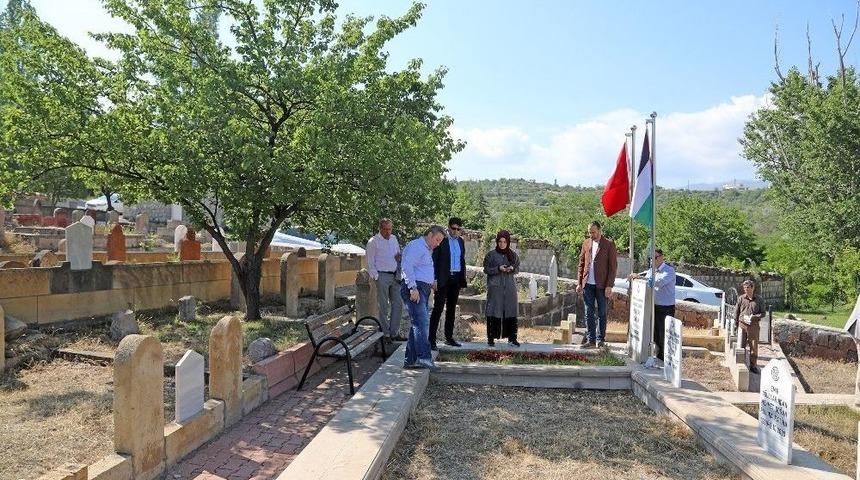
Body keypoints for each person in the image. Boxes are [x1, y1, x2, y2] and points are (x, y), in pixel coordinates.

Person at [400, 225, 446, 370]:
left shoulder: (427, 249)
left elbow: (421, 269)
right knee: (422, 323)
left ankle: (410, 360)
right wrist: (413, 287)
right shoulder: (417, 246)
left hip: (423, 288)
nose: (438, 244)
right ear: (430, 235)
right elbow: (407, 266)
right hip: (415, 288)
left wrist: (431, 282)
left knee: (418, 324)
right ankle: (424, 358)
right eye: (437, 240)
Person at [576, 221, 618, 348]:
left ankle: (601, 339)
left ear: (600, 231)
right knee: (588, 312)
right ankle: (591, 340)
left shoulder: (609, 244)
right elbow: (581, 264)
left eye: (593, 232)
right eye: (589, 232)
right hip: (587, 284)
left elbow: (613, 267)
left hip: (602, 285)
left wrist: (609, 285)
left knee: (602, 312)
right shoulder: (586, 243)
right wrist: (579, 283)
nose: (591, 234)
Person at [629, 248, 676, 360]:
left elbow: (658, 282)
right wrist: (637, 276)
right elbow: (646, 280)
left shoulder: (669, 270)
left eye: (654, 258)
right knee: (654, 333)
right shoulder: (651, 270)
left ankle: (664, 358)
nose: (652, 261)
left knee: (663, 333)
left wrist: (640, 277)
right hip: (653, 305)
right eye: (650, 258)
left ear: (661, 257)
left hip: (665, 307)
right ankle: (657, 355)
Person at [430, 217, 467, 349]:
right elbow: (434, 260)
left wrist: (462, 278)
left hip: (456, 278)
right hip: (443, 279)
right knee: (438, 309)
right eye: (453, 228)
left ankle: (449, 337)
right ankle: (431, 340)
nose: (456, 231)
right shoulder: (442, 240)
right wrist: (434, 279)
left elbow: (462, 260)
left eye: (458, 229)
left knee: (451, 309)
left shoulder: (461, 242)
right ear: (449, 227)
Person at [366, 219, 405, 340]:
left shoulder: (394, 238)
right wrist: (376, 276)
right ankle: (385, 333)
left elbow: (397, 254)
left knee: (398, 303)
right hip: (382, 275)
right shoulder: (373, 241)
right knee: (383, 305)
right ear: (380, 228)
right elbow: (370, 262)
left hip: (395, 275)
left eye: (390, 229)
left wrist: (400, 257)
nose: (388, 232)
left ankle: (394, 332)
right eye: (386, 229)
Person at [483, 230, 520, 347]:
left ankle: (512, 338)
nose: (502, 244)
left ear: (508, 242)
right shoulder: (491, 255)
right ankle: (491, 339)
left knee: (511, 311)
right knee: (493, 311)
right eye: (500, 241)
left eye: (504, 242)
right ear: (497, 242)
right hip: (495, 289)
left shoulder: (513, 255)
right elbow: (486, 269)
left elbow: (517, 268)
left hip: (509, 288)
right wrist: (498, 269)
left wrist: (512, 269)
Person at [734, 279, 765, 374]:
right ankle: (741, 363)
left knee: (754, 346)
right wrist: (736, 323)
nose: (746, 289)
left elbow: (763, 313)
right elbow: (736, 311)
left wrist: (755, 317)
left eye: (748, 287)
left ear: (753, 288)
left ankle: (753, 365)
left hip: (753, 325)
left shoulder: (759, 300)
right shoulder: (741, 298)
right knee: (741, 345)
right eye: (744, 287)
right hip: (742, 324)